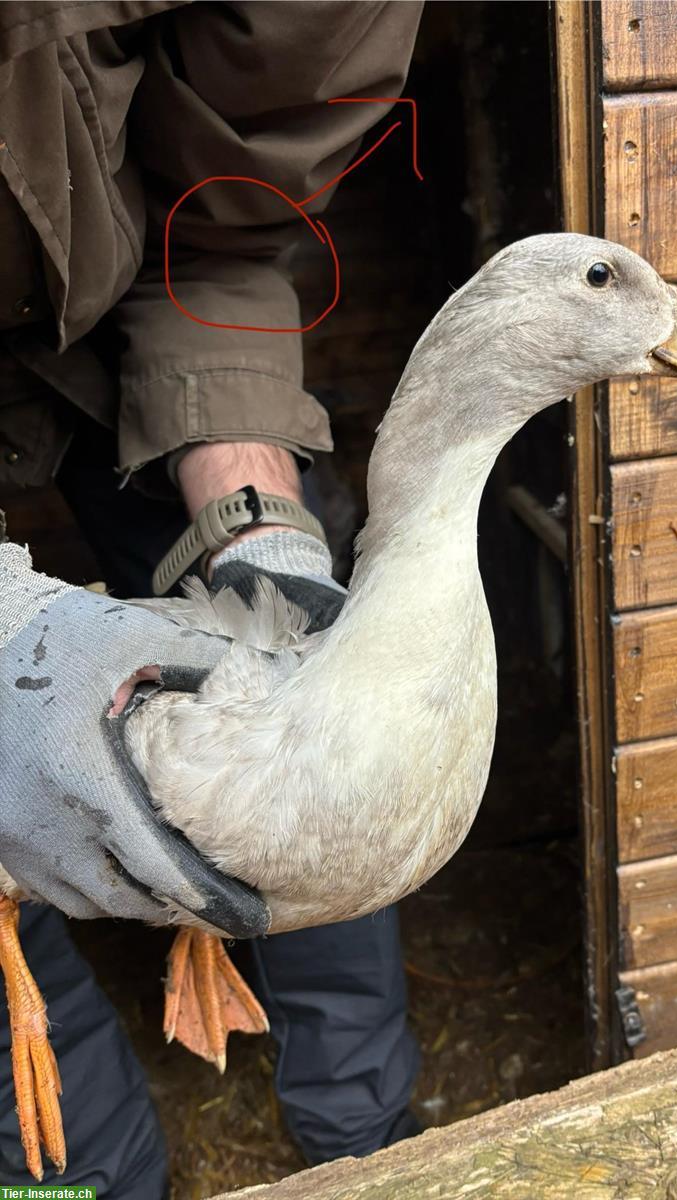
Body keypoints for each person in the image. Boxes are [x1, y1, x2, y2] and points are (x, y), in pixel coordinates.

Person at [0, 1, 424, 1192]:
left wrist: (254, 515)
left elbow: (229, 222)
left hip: (118, 326)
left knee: (308, 722)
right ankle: (85, 1183)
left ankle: (369, 1148)